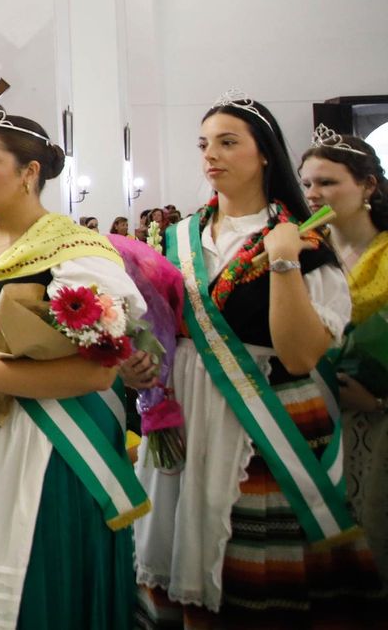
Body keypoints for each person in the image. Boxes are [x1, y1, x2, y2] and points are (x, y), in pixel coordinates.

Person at [137, 92, 383, 625]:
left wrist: (285, 263)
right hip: (185, 416)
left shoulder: (305, 240)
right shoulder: (178, 238)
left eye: (229, 142)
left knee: (255, 580)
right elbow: (159, 327)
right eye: (204, 144)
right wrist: (141, 361)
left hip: (265, 416)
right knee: (180, 563)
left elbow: (299, 354)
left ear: (265, 153)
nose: (211, 155)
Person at [0, 98, 146, 629]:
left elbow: (98, 371)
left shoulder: (78, 253)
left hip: (46, 446)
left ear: (29, 172)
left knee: (34, 581)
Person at [300, 127, 388, 577]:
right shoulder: (303, 253)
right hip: (307, 414)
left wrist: (378, 401)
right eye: (308, 183)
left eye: (328, 182)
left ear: (368, 184)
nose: (314, 194)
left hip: (374, 423)